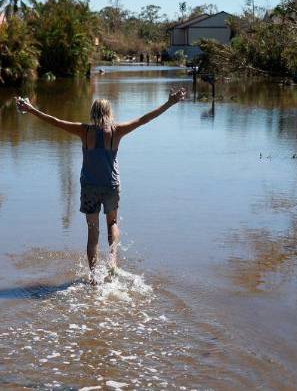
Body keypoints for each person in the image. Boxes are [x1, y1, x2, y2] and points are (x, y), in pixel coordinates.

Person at [15, 88, 186, 278]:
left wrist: (31, 109)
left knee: (92, 231)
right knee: (112, 222)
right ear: (109, 113)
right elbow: (144, 119)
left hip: (89, 187)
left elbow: (54, 121)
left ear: (93, 113)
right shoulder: (116, 131)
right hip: (111, 185)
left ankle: (94, 276)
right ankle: (112, 259)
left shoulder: (83, 130)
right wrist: (168, 103)